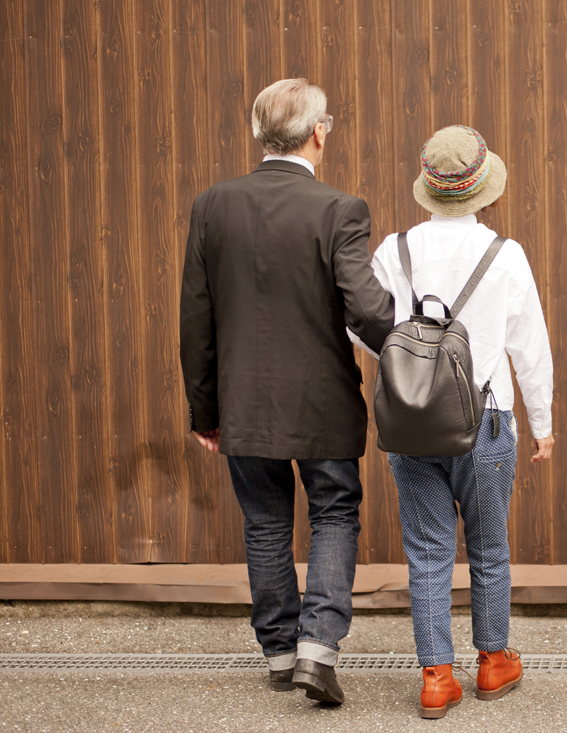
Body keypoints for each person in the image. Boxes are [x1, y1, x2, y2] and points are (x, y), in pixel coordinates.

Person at [179, 78, 395, 705]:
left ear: (259, 132)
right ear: (318, 132)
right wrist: (414, 344)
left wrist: (204, 408)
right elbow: (366, 307)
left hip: (242, 402)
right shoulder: (339, 209)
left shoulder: (212, 204)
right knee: (333, 514)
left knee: (265, 522)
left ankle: (278, 652)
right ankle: (317, 649)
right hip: (323, 398)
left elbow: (197, 315)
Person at [352, 125, 554, 719]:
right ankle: (494, 663)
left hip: (412, 428)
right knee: (490, 549)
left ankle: (436, 676)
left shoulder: (395, 251)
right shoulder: (504, 254)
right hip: (487, 422)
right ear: (482, 190)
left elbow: (359, 327)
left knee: (429, 552)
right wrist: (543, 424)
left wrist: (408, 371)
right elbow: (530, 349)